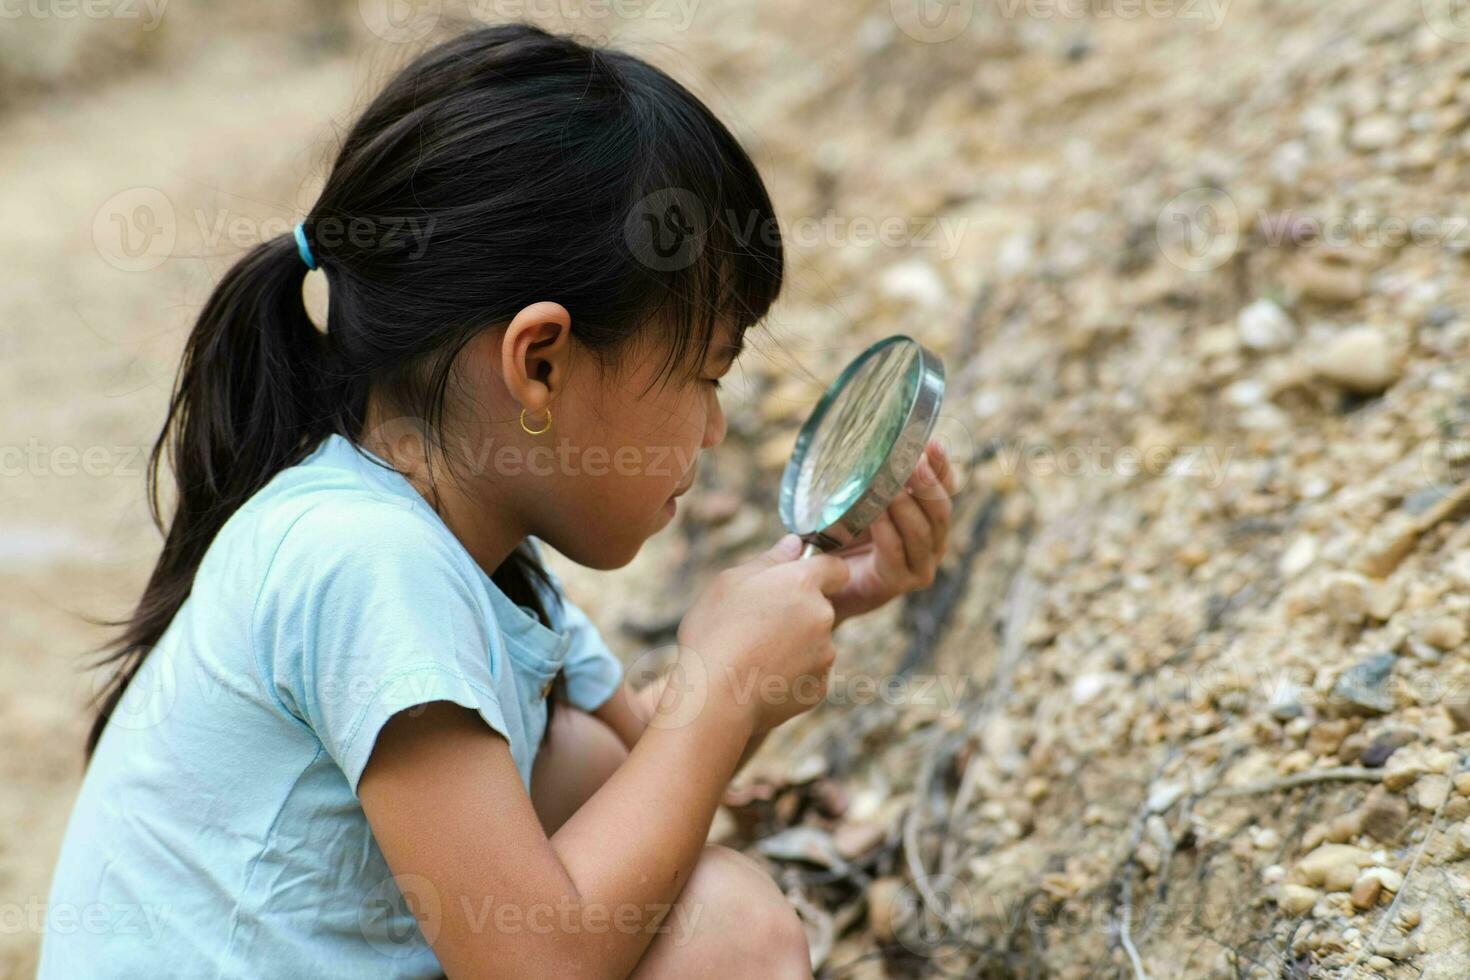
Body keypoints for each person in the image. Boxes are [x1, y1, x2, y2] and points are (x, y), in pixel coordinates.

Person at [39, 22, 957, 979]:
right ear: (541, 362)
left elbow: (651, 774)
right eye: (706, 375)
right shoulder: (360, 559)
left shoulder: (462, 551)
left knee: (584, 766)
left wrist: (811, 607)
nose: (714, 428)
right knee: (727, 931)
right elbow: (541, 968)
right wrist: (721, 689)